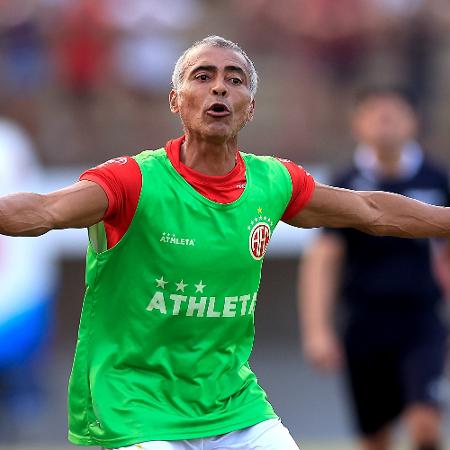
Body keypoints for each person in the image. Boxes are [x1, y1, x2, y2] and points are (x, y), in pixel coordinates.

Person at [1, 36, 450, 450]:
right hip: (133, 402)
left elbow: (372, 211)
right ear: (176, 100)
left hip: (230, 402)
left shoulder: (273, 182)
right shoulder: (133, 180)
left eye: (234, 80)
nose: (220, 88)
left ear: (250, 108)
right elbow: (44, 210)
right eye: (203, 76)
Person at [298, 87, 450, 450]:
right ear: (357, 124)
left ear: (413, 122)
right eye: (375, 114)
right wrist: (317, 329)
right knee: (374, 438)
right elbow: (324, 258)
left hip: (421, 321)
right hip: (363, 322)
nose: (385, 122)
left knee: (425, 425)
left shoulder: (436, 178)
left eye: (393, 114)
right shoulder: (344, 183)